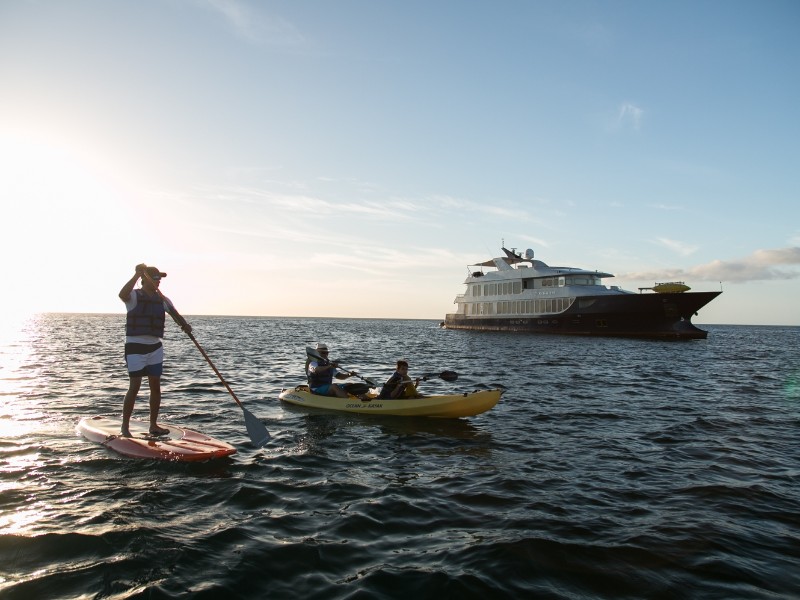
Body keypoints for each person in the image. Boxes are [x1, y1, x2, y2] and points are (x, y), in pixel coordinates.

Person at [118, 263, 191, 437]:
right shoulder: (134, 296)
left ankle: (153, 425)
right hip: (135, 347)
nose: (159, 282)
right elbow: (122, 294)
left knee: (155, 387)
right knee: (134, 386)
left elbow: (175, 315)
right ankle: (125, 427)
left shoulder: (163, 300)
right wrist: (136, 274)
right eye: (156, 278)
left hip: (155, 347)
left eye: (160, 279)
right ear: (146, 280)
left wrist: (185, 326)